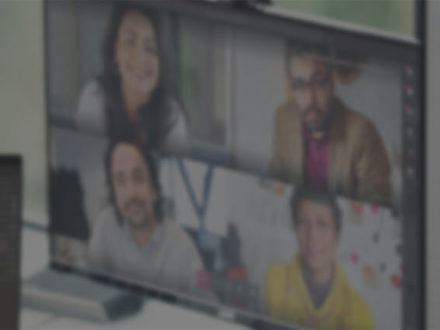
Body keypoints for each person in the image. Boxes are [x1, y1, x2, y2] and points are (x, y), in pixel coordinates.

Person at [269, 42, 391, 205]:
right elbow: (276, 186)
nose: (309, 99)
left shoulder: (363, 132)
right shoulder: (283, 118)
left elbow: (377, 207)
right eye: (299, 85)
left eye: (318, 82)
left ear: (332, 81)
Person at [88, 140, 203, 295]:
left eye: (139, 178)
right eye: (121, 181)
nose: (131, 193)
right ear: (114, 194)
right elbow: (90, 288)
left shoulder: (182, 245)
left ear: (154, 189)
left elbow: (206, 302)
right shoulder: (105, 226)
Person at [76, 2, 188, 153]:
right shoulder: (94, 97)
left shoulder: (172, 116)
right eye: (130, 42)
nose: (140, 58)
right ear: (115, 50)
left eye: (150, 48)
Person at [264, 188, 374, 330]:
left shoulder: (359, 310)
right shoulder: (274, 279)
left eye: (322, 224)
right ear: (295, 230)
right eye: (303, 222)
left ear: (337, 237)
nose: (312, 237)